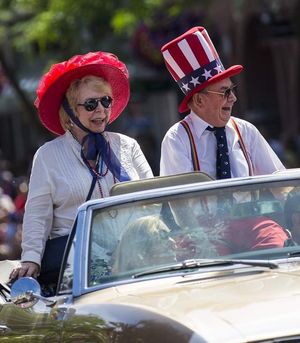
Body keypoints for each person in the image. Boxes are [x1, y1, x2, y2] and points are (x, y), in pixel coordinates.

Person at [10, 51, 153, 281]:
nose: (101, 109)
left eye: (106, 101)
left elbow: (152, 199)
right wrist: (31, 259)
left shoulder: (128, 145)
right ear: (70, 112)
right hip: (75, 267)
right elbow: (37, 215)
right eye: (90, 104)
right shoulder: (47, 156)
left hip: (135, 259)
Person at [159, 26, 285, 178]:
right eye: (225, 92)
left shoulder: (246, 131)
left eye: (232, 90)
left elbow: (278, 181)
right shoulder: (177, 138)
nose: (233, 98)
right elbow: (181, 199)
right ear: (199, 100)